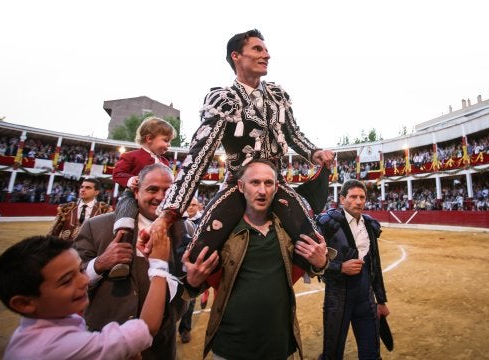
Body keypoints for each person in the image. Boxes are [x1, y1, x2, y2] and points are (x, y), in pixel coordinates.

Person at [144, 29, 334, 276]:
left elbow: (292, 132)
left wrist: (314, 152)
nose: (266, 55)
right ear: (236, 56)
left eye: (265, 50)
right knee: (198, 252)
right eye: (258, 49)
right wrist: (169, 214)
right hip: (238, 185)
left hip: (276, 184)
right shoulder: (223, 99)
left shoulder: (277, 96)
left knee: (314, 243)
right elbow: (199, 156)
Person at [182, 159, 329, 359]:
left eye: (268, 183)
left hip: (280, 344)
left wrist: (321, 263)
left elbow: (311, 265)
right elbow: (198, 281)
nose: (262, 190)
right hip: (230, 346)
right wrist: (192, 281)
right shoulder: (222, 233)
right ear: (241, 186)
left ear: (277, 187)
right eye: (255, 182)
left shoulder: (289, 231)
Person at [0, 229, 172, 360]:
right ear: (24, 304)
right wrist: (159, 265)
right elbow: (147, 328)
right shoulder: (57, 348)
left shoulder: (45, 321)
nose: (85, 281)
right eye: (67, 280)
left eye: (81, 270)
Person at [74, 163, 182, 359]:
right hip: (105, 344)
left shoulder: (185, 229)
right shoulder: (96, 226)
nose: (160, 197)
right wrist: (99, 264)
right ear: (136, 191)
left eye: (168, 191)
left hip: (159, 345)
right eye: (152, 189)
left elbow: (188, 285)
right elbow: (72, 282)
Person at [316, 180, 390, 360]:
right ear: (342, 199)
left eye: (362, 197)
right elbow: (313, 264)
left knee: (371, 353)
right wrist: (339, 267)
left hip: (366, 297)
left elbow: (375, 264)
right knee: (332, 354)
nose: (358, 201)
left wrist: (380, 300)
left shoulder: (370, 225)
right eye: (353, 197)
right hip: (337, 297)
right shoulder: (328, 224)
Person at [110, 116, 176, 278]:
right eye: (165, 140)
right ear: (149, 138)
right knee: (126, 215)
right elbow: (117, 174)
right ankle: (122, 256)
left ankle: (180, 252)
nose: (168, 145)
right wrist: (131, 180)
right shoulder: (131, 156)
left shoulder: (165, 162)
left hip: (162, 200)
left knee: (177, 219)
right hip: (132, 195)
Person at [47, 178, 112, 241]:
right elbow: (53, 233)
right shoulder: (66, 208)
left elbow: (107, 235)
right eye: (82, 187)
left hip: (91, 250)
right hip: (67, 248)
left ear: (96, 192)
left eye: (88, 188)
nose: (83, 190)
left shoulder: (104, 210)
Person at [176, 197, 202, 344]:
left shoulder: (204, 221)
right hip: (174, 266)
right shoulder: (176, 220)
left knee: (190, 301)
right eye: (188, 205)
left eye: (194, 205)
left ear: (199, 206)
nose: (191, 208)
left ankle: (185, 330)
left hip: (191, 269)